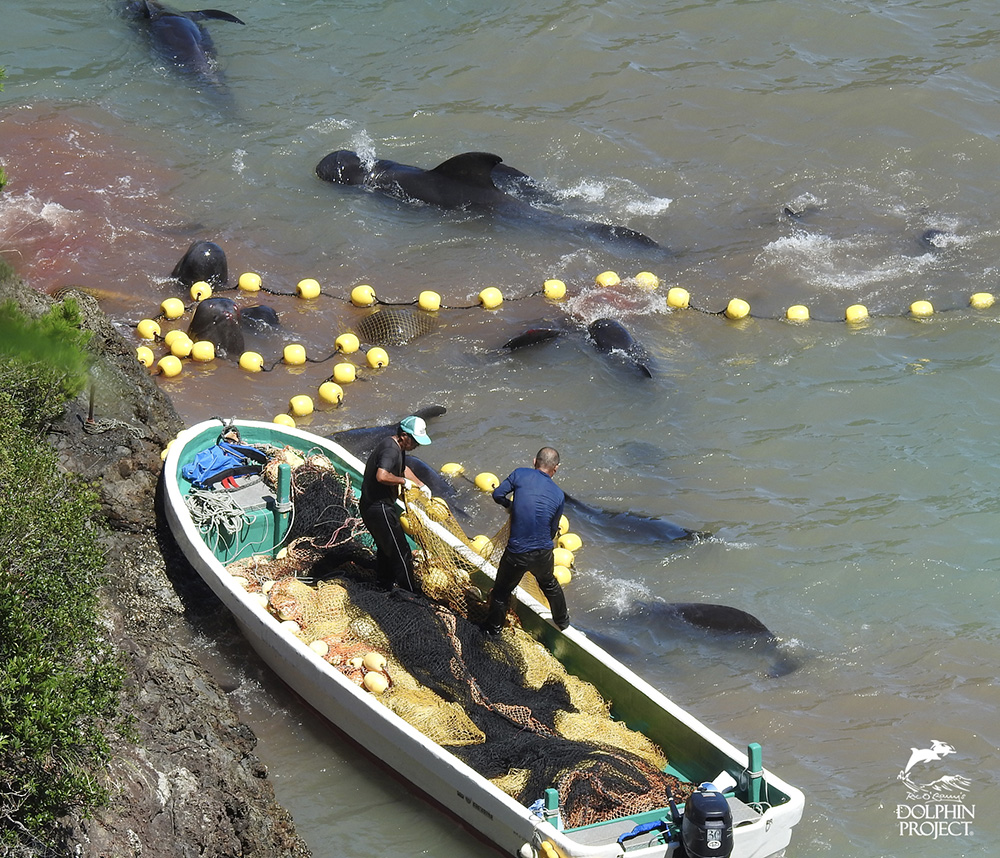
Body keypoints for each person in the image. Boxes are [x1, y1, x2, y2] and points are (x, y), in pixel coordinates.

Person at [481, 446, 570, 634]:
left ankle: (493, 630)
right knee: (550, 584)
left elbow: (497, 494)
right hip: (543, 553)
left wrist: (510, 505)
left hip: (517, 553)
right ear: (556, 468)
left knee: (501, 592)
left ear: (534, 462)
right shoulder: (559, 495)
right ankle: (563, 623)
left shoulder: (520, 474)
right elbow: (553, 530)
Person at [358, 415, 432, 591]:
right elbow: (381, 476)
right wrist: (402, 482)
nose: (417, 445)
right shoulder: (391, 449)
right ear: (404, 435)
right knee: (402, 551)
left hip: (376, 506)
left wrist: (421, 485)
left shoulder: (397, 447)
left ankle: (384, 584)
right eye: (415, 441)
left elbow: (403, 468)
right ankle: (411, 593)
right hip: (378, 508)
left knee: (386, 549)